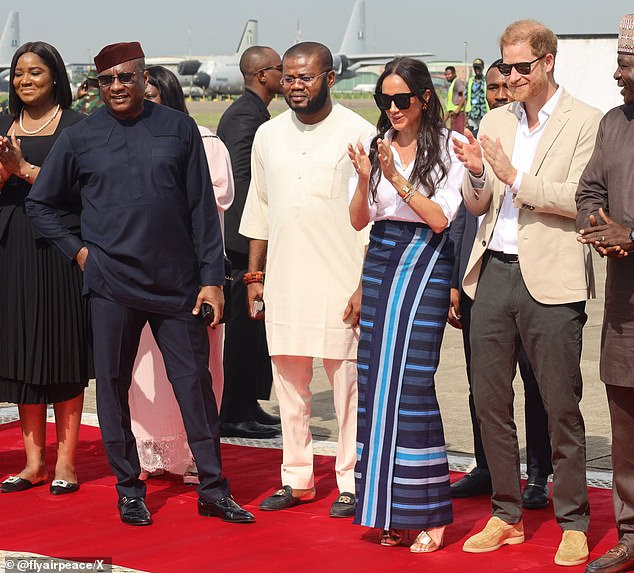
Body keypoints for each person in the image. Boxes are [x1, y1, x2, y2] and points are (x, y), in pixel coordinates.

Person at [25, 41, 253, 526]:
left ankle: (213, 488)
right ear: (98, 84)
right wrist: (81, 253)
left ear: (143, 77)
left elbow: (201, 213)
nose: (116, 87)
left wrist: (212, 279)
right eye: (106, 80)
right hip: (111, 285)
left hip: (177, 286)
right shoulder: (81, 137)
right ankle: (129, 489)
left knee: (195, 388)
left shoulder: (178, 128)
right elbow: (39, 205)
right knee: (111, 388)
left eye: (125, 78)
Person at [453, 20, 601, 566]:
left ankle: (573, 521)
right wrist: (475, 175)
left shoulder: (586, 121)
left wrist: (512, 175)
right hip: (492, 270)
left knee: (562, 406)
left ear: (548, 63)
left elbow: (580, 197)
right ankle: (506, 514)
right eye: (505, 67)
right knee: (490, 402)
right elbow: (478, 204)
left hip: (553, 277)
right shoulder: (495, 118)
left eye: (521, 67)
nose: (510, 76)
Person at [240, 41, 375, 518]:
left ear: (330, 78)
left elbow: (375, 219)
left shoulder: (360, 134)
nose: (295, 86)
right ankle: (296, 479)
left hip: (341, 281)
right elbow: (259, 207)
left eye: (306, 78)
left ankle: (352, 482)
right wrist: (255, 274)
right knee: (290, 389)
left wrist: (364, 285)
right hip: (285, 280)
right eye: (289, 77)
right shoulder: (268, 135)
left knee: (348, 392)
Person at [348, 57, 464, 553]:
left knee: (412, 384)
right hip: (380, 259)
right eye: (384, 100)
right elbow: (359, 220)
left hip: (426, 261)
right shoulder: (380, 148)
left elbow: (440, 218)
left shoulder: (447, 148)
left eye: (401, 100)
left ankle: (430, 512)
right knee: (375, 383)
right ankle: (388, 510)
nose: (392, 109)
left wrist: (397, 178)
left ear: (424, 99)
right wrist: (363, 177)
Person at [448, 58, 553, 509]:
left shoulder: (538, 137)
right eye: (491, 87)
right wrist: (456, 282)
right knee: (483, 383)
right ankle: (489, 466)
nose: (500, 91)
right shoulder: (479, 138)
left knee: (535, 382)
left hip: (534, 276)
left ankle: (538, 473)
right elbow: (458, 216)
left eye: (505, 83)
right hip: (481, 275)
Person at [128, 64, 234, 485]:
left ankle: (195, 452)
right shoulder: (127, 141)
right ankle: (151, 450)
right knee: (144, 369)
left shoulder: (205, 141)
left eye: (151, 98)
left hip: (191, 279)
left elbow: (212, 205)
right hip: (140, 277)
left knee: (196, 369)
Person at [0, 41, 92, 496]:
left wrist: (24, 169)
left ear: (55, 75)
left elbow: (89, 190)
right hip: (13, 245)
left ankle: (67, 462)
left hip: (61, 244)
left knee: (62, 352)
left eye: (34, 72)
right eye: (18, 73)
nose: (24, 80)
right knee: (20, 353)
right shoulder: (2, 125)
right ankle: (32, 462)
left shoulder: (79, 127)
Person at [576, 14, 634, 573]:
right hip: (625, 313)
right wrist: (599, 228)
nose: (618, 75)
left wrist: (632, 235)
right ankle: (631, 536)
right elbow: (589, 188)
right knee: (626, 429)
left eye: (627, 65)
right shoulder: (615, 122)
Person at [216, 46, 283, 440]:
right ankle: (234, 411)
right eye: (280, 71)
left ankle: (248, 404)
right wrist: (260, 239)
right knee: (243, 329)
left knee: (253, 329)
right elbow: (243, 185)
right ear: (262, 75)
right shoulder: (245, 116)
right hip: (244, 245)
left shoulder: (253, 112)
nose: (286, 78)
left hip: (249, 241)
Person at [465, 58, 489, 134]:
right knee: (474, 133)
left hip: (483, 112)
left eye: (479, 68)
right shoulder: (470, 81)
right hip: (472, 113)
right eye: (475, 68)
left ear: (482, 68)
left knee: (483, 133)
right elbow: (466, 97)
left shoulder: (487, 80)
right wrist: (466, 114)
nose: (477, 70)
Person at [444, 65, 465, 134]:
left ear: (454, 74)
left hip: (458, 115)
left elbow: (463, 95)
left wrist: (458, 109)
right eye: (446, 74)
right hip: (453, 114)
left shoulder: (457, 82)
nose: (447, 76)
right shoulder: (451, 84)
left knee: (458, 136)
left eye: (449, 74)